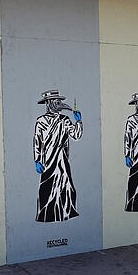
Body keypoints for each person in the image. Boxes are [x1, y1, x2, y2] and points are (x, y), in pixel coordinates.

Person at [33, 89, 83, 222]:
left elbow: (76, 135)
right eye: (56, 101)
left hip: (62, 159)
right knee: (47, 187)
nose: (59, 103)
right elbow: (37, 142)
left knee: (66, 186)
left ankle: (66, 212)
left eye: (59, 101)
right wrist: (37, 160)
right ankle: (47, 215)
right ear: (49, 103)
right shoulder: (41, 121)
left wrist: (78, 122)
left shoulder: (64, 120)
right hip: (48, 160)